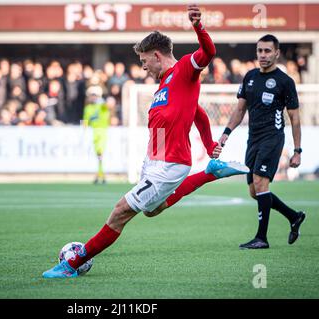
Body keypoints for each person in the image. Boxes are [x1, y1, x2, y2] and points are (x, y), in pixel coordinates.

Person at [42, 4, 249, 278]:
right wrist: (209, 145)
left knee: (120, 212)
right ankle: (209, 173)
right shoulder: (163, 85)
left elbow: (209, 52)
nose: (143, 68)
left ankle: (72, 264)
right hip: (154, 160)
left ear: (156, 55)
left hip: (170, 163)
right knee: (153, 210)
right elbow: (197, 112)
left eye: (144, 62)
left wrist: (198, 26)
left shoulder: (185, 69)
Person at [218, 34, 306, 250]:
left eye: (268, 51)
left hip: (273, 137)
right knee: (254, 191)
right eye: (260, 51)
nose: (263, 55)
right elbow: (239, 110)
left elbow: (294, 118)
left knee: (260, 182)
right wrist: (226, 133)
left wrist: (297, 150)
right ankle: (293, 216)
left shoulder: (285, 82)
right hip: (253, 139)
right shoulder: (249, 77)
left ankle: (261, 238)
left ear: (277, 53)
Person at [83, 86, 110, 184]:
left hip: (102, 131)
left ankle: (100, 175)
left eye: (95, 96)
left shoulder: (102, 105)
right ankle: (100, 175)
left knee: (100, 154)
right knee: (98, 155)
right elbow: (85, 121)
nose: (93, 98)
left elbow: (108, 108)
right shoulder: (88, 108)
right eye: (92, 96)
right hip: (93, 132)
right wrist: (84, 129)